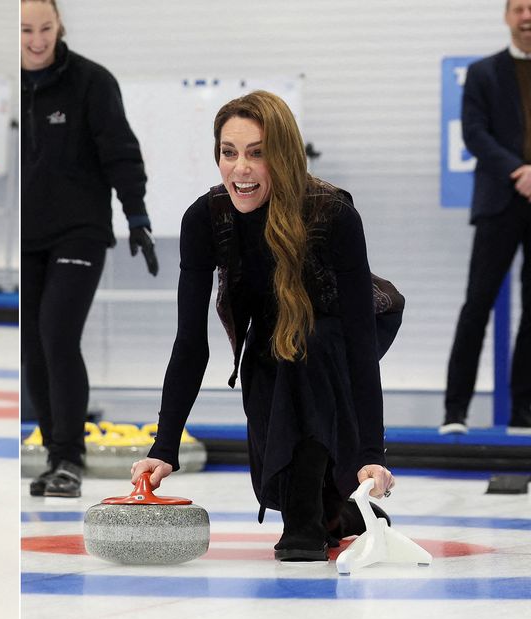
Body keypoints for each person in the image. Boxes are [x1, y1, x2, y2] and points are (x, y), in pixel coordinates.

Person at [131, 91, 397, 562]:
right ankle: (334, 510)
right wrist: (164, 445)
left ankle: (305, 522)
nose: (241, 169)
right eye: (228, 153)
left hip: (354, 323)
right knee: (267, 374)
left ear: (285, 156)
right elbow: (190, 343)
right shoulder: (205, 219)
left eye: (257, 153)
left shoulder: (333, 213)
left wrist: (371, 453)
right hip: (275, 332)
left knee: (308, 351)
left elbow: (357, 338)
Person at [21, 0, 158, 499]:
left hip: (79, 229)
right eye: (25, 31)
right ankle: (54, 452)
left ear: (59, 26)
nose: (37, 40)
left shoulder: (91, 82)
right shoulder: (11, 86)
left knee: (57, 333)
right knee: (32, 347)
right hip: (27, 235)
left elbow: (120, 151)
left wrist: (136, 216)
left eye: (45, 28)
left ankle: (68, 460)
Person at [443, 0, 531, 435]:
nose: (527, 16)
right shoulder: (484, 73)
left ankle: (523, 416)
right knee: (477, 303)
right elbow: (475, 133)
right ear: (507, 16)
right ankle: (454, 413)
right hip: (500, 198)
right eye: (519, 8)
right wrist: (519, 171)